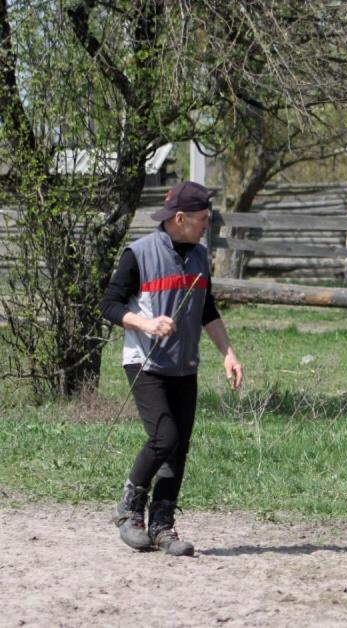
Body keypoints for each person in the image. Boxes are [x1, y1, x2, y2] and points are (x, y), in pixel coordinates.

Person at [101, 181, 244, 556]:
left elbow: (207, 309)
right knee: (164, 437)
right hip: (145, 363)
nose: (206, 225)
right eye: (202, 219)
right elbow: (110, 305)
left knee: (178, 447)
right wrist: (147, 325)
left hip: (185, 366)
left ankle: (162, 525)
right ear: (180, 218)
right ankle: (128, 510)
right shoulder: (139, 254)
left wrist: (228, 353)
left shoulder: (199, 256)